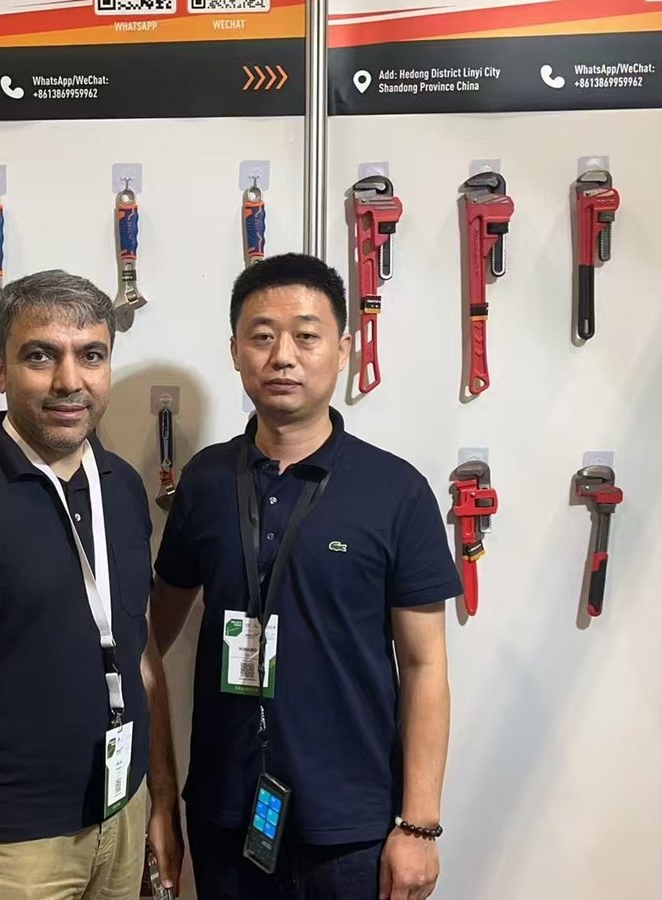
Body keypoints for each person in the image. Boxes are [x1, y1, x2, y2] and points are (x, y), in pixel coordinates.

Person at [150, 253, 460, 900]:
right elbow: (148, 637)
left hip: (352, 825)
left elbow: (424, 665)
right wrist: (156, 796)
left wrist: (419, 824)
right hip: (224, 813)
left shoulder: (395, 491)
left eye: (306, 336)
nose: (283, 357)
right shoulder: (205, 482)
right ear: (235, 352)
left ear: (343, 350)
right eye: (262, 336)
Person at [0, 269, 181, 900]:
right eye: (41, 356)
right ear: (1, 370)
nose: (70, 381)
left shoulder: (124, 489)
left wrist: (161, 800)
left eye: (91, 355)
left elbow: (141, 657)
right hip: (10, 849)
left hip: (121, 814)